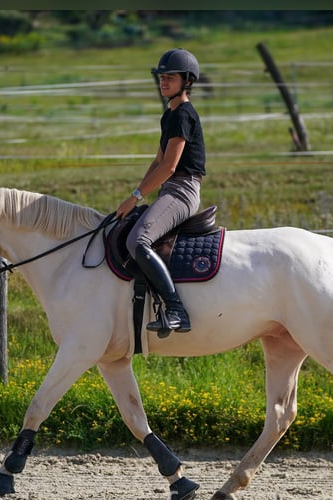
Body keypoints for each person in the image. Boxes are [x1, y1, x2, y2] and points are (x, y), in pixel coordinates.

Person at [115, 48, 206, 335]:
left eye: (170, 77)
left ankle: (177, 310)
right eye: (161, 77)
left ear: (187, 81)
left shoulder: (184, 116)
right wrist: (135, 192)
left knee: (138, 241)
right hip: (169, 189)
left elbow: (168, 167)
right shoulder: (169, 115)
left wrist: (136, 197)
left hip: (182, 190)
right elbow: (156, 161)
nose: (163, 81)